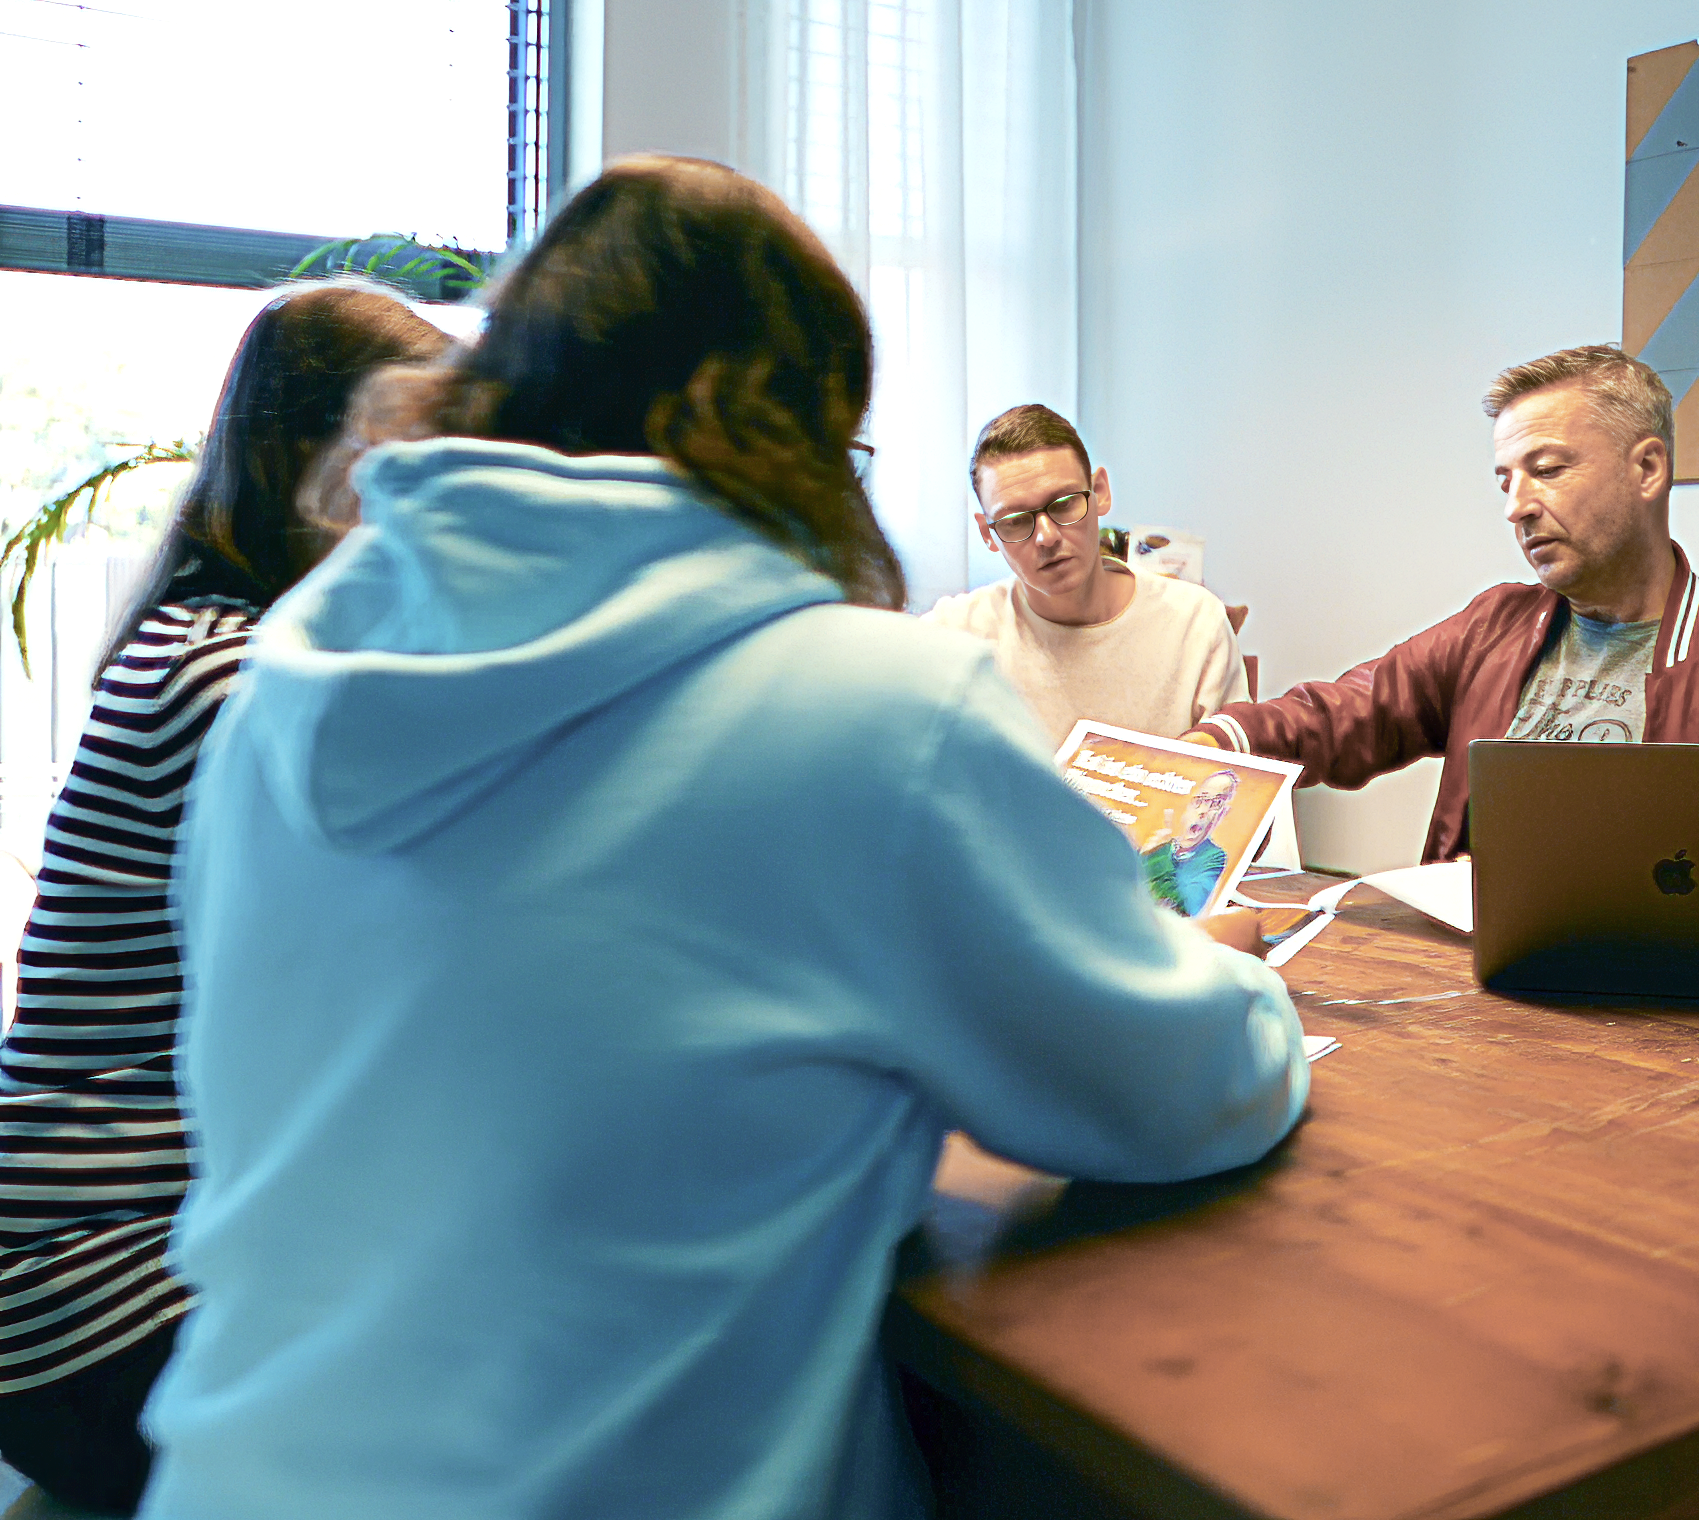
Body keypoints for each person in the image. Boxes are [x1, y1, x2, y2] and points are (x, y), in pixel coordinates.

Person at [145, 156, 1307, 1520]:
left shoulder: (285, 686)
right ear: (789, 434)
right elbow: (1187, 1086)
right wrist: (1237, 977)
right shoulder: (871, 705)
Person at [0, 282, 448, 1517]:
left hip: (95, 1270)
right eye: (409, 463)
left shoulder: (203, 636)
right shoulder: (234, 673)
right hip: (91, 1294)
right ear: (317, 460)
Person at [1185, 344, 1699, 864]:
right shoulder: (1494, 627)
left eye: (1548, 470)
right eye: (1506, 479)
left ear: (1647, 470)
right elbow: (1343, 713)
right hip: (1471, 985)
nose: (1516, 507)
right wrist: (1213, 742)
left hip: (1657, 1012)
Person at [923, 404, 1248, 751]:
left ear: (1101, 492)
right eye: (1016, 521)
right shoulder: (956, 634)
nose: (1046, 537)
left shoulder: (1196, 625)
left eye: (1063, 504)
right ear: (988, 533)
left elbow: (1240, 789)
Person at [1143, 769, 1240, 915]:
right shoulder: (1159, 846)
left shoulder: (1213, 857)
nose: (1203, 810)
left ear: (1223, 813)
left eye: (1216, 803)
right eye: (1200, 800)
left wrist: (1157, 859)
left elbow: (1184, 910)